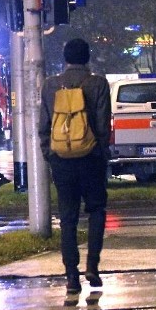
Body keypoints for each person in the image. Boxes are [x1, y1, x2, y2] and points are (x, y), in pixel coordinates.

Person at [38, 38, 111, 295]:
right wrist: (101, 154)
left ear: (65, 58)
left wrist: (51, 154)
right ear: (87, 57)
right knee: (97, 210)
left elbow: (43, 126)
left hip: (62, 162)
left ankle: (71, 276)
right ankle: (92, 266)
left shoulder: (50, 85)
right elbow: (103, 125)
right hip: (91, 158)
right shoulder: (98, 83)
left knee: (67, 218)